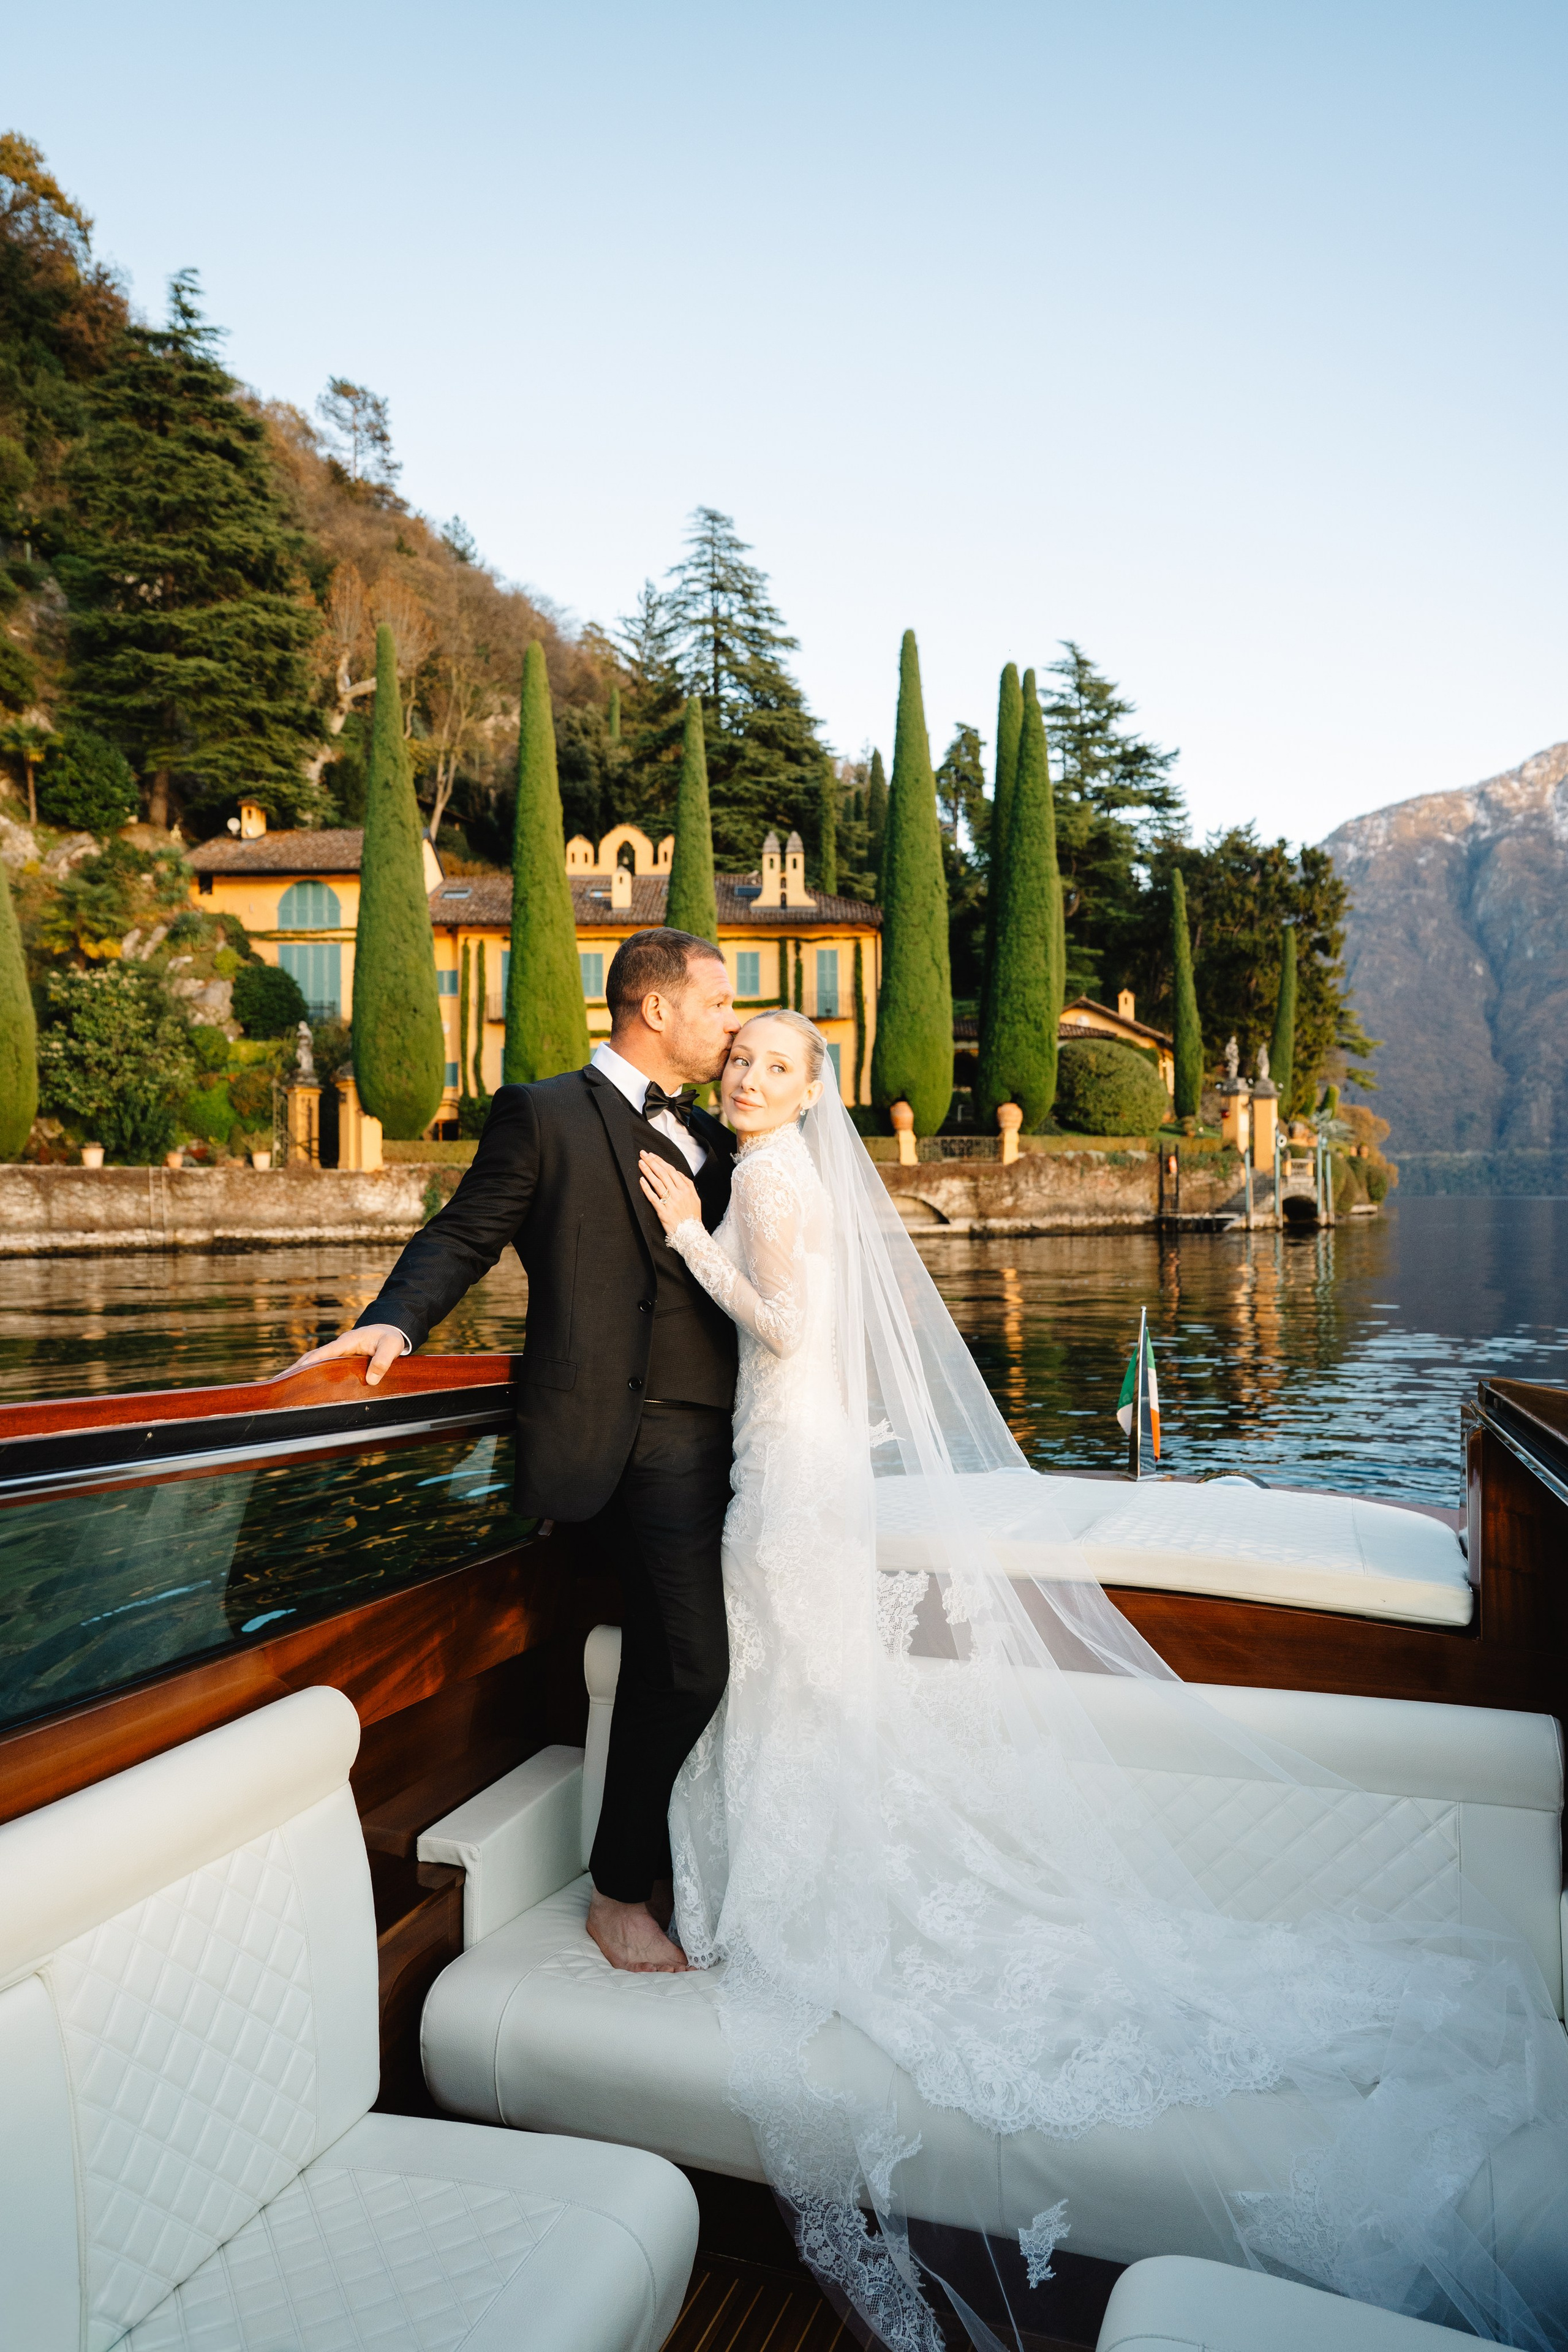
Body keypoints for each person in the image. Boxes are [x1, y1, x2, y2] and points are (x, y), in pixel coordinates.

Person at [634, 1007, 1568, 2352]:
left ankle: (776, 1906)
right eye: (740, 1060)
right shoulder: (782, 1169)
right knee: (802, 1678)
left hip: (787, 1467)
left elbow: (782, 1327)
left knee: (791, 1674)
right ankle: (784, 1888)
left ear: (809, 1088)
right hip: (805, 1459)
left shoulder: (771, 1180)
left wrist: (684, 1236)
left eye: (774, 1066)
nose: (746, 1077)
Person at [289, 927, 741, 1973]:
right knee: (692, 1666)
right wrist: (393, 1321)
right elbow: (464, 1233)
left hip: (727, 1441)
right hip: (622, 1440)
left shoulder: (716, 1136)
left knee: (685, 1657)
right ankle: (619, 1892)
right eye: (719, 1004)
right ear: (657, 1008)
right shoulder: (541, 1113)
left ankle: (669, 1868)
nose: (732, 1022)